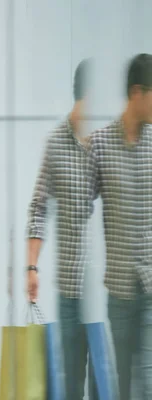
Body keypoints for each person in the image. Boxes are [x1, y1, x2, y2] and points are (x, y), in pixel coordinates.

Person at [25, 59, 98, 399]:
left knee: (111, 380)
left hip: (115, 285)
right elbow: (39, 207)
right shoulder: (57, 142)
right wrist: (31, 266)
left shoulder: (116, 140)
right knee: (70, 382)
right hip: (71, 285)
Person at [90, 53, 152, 399]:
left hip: (151, 285)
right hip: (119, 287)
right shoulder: (100, 144)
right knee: (125, 380)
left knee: (147, 377)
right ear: (138, 93)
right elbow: (79, 203)